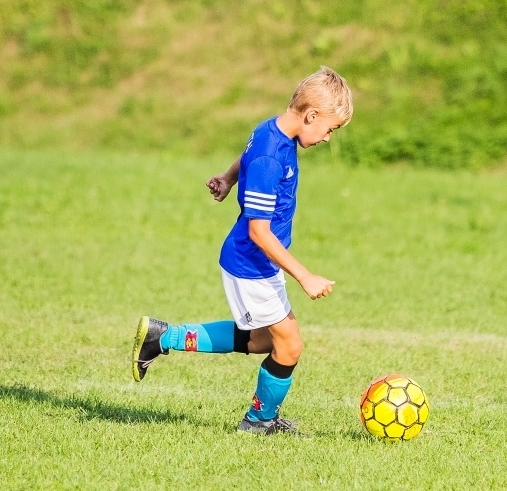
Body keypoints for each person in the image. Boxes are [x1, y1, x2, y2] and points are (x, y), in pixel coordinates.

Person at [131, 66, 353, 435]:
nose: (328, 137)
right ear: (311, 115)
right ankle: (258, 421)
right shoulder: (271, 157)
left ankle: (162, 336)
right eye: (330, 128)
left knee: (261, 340)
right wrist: (305, 276)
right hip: (252, 262)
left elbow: (246, 156)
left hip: (257, 261)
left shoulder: (271, 131)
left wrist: (228, 177)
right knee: (290, 345)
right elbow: (259, 231)